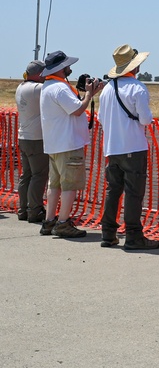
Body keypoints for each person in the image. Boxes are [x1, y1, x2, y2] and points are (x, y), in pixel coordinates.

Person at [96, 44, 159, 250]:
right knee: (134, 193)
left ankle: (108, 233)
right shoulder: (137, 88)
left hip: (112, 147)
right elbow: (145, 119)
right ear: (135, 66)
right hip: (133, 146)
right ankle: (133, 235)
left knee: (112, 190)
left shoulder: (107, 89)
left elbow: (100, 118)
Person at [39, 50, 104, 238]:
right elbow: (77, 110)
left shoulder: (49, 86)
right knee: (69, 185)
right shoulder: (60, 88)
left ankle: (50, 220)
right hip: (67, 144)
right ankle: (62, 223)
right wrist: (89, 95)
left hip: (55, 144)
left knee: (55, 185)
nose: (70, 68)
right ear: (61, 68)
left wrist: (87, 94)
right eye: (67, 65)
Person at [15, 59, 49, 223]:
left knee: (26, 175)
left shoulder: (21, 87)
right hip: (36, 138)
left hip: (24, 136)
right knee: (39, 175)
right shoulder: (38, 89)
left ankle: (23, 209)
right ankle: (35, 210)